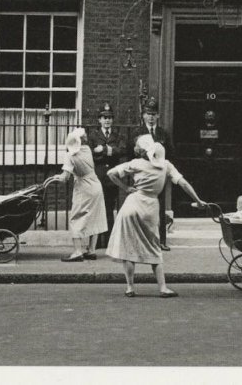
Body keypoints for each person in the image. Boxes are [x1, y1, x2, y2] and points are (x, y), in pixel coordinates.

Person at [106, 134, 207, 298]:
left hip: (132, 204)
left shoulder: (136, 163)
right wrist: (198, 200)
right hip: (150, 207)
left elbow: (111, 173)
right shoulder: (166, 165)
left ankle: (130, 287)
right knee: (154, 246)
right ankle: (163, 288)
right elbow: (183, 183)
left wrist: (126, 188)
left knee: (128, 248)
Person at [47, 127, 108, 262]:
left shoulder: (70, 156)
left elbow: (65, 177)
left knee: (76, 218)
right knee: (95, 216)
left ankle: (77, 251)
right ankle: (91, 250)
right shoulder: (87, 150)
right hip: (96, 186)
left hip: (83, 188)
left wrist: (55, 177)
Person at [131, 96, 174, 251]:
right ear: (143, 115)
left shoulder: (163, 133)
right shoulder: (137, 133)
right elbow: (131, 155)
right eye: (148, 114)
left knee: (160, 208)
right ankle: (141, 240)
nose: (150, 117)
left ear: (158, 116)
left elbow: (170, 153)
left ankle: (161, 240)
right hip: (143, 176)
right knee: (142, 208)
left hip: (159, 176)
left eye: (153, 114)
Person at [86, 102, 126, 249]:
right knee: (96, 209)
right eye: (104, 117)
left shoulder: (118, 135)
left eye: (110, 117)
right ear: (99, 120)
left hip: (112, 178)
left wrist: (103, 150)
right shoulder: (93, 135)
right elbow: (91, 154)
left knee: (110, 208)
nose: (107, 120)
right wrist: (109, 151)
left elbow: (122, 150)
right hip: (98, 176)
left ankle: (109, 242)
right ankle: (94, 244)